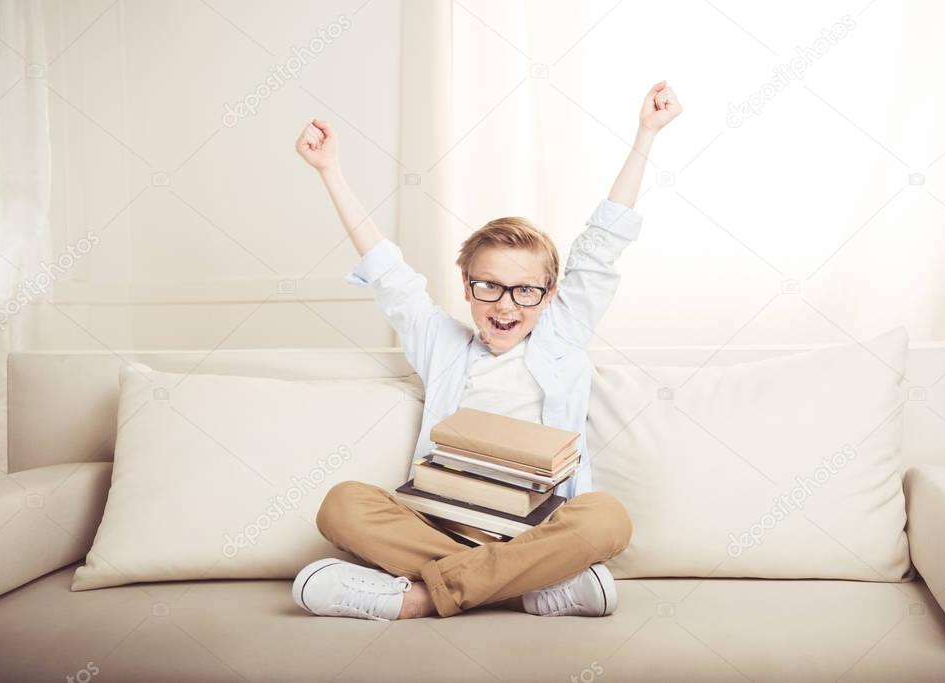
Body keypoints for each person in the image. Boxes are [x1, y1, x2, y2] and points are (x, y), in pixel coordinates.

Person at [291, 81, 682, 621]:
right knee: (342, 505)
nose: (506, 305)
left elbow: (602, 244)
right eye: (488, 286)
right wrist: (330, 171)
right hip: (439, 525)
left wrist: (646, 134)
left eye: (525, 290)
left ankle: (419, 597)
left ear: (549, 295)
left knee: (606, 518)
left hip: (540, 529)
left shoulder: (562, 337)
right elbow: (389, 274)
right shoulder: (441, 343)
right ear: (466, 285)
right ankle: (528, 589)